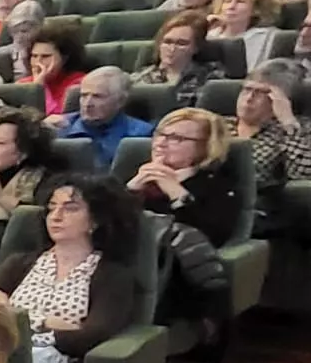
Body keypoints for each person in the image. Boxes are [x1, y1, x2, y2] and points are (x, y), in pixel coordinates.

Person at [0, 176, 140, 363]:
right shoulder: (19, 263)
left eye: (70, 209)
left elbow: (91, 336)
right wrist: (47, 323)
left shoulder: (113, 275)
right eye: (51, 208)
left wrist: (12, 316)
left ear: (94, 221)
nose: (56, 217)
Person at [131, 107, 242, 249]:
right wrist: (130, 191)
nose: (160, 143)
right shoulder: (135, 172)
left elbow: (209, 239)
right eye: (160, 134)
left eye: (176, 138)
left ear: (206, 147)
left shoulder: (217, 185)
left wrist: (177, 194)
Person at [235, 60, 311, 203]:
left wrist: (288, 123)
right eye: (247, 89)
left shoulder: (300, 132)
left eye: (262, 93)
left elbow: (303, 176)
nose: (249, 99)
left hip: (256, 207)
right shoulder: (216, 123)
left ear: (282, 100)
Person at [55, 67, 157, 171]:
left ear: (120, 101)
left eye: (97, 96)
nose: (87, 103)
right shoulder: (59, 128)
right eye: (84, 95)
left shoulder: (142, 134)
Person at [130, 12, 224, 110]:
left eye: (181, 43)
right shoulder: (139, 78)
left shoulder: (211, 77)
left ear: (196, 47)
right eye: (167, 42)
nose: (172, 49)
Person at [213, 0, 284, 72]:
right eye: (228, 1)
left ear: (256, 9)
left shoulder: (268, 36)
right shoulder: (210, 35)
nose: (231, 6)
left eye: (240, 2)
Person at [25, 21, 90, 118]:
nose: (38, 62)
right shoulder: (23, 83)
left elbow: (58, 120)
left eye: (45, 56)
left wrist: (40, 89)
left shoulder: (79, 83)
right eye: (34, 56)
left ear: (64, 58)